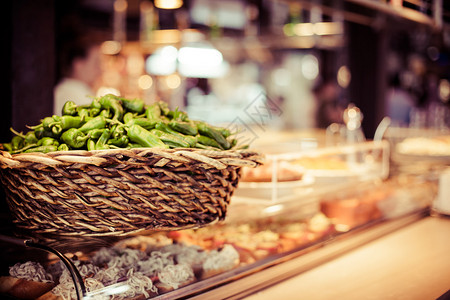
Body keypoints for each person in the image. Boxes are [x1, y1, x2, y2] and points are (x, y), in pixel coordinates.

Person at [53, 35, 103, 115]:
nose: (100, 71)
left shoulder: (60, 89)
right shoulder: (79, 93)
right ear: (78, 64)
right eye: (96, 63)